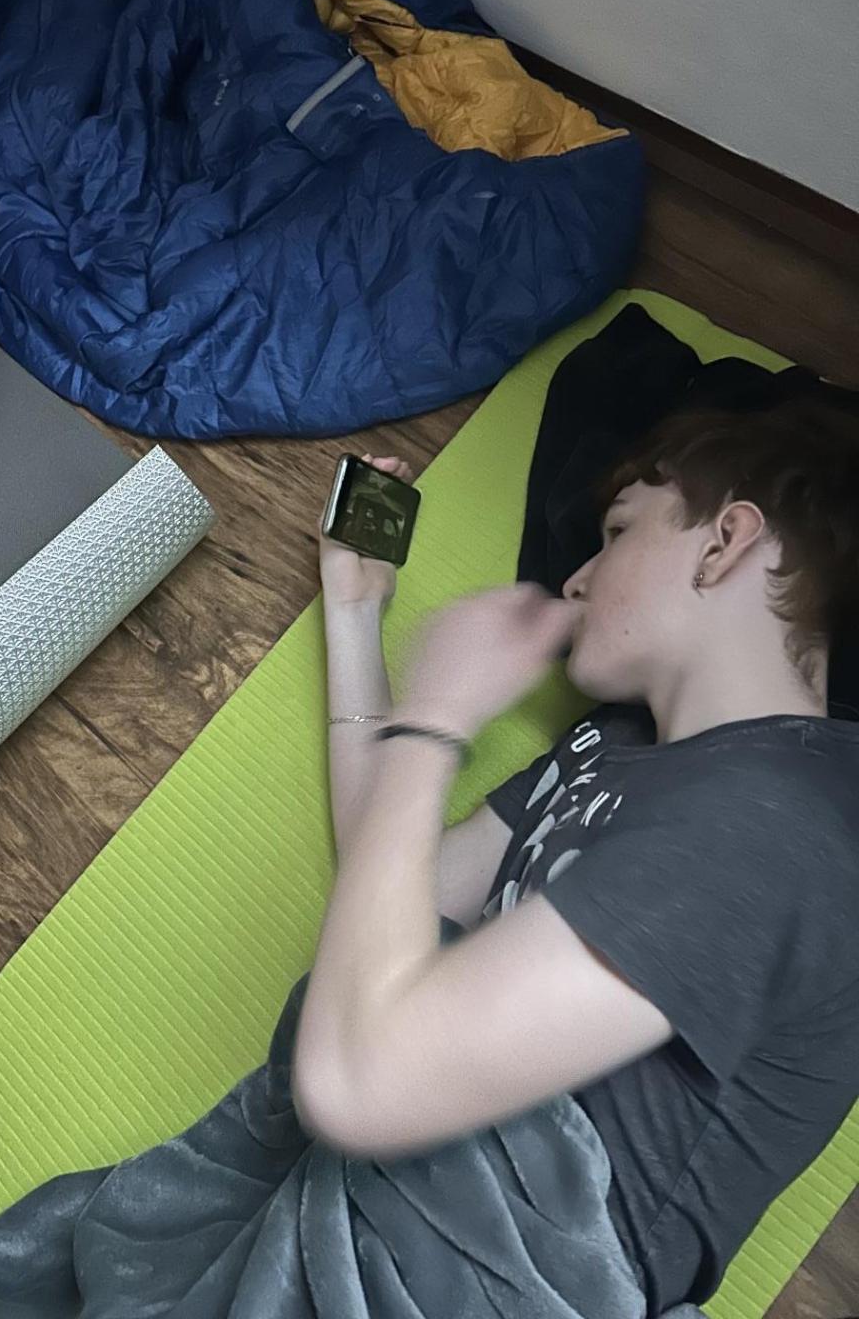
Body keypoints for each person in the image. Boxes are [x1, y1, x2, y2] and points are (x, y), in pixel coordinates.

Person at [295, 400, 859, 1315]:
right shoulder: (617, 744)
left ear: (725, 543)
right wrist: (357, 615)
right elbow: (391, 885)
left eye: (618, 533)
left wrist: (439, 720)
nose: (577, 580)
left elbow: (362, 1079)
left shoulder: (786, 820)